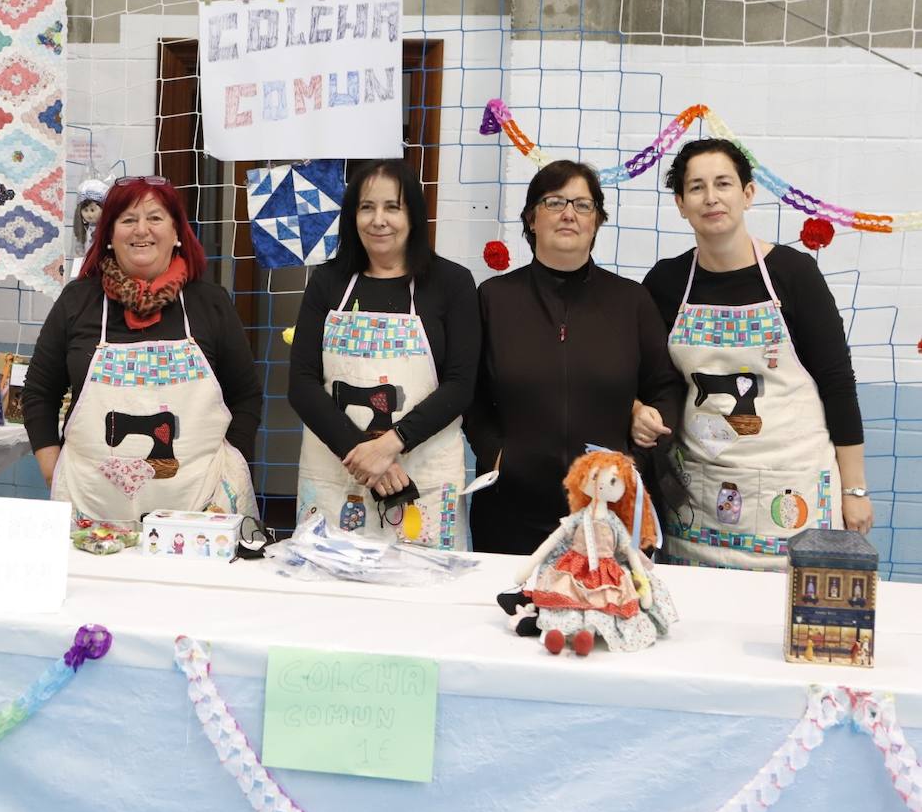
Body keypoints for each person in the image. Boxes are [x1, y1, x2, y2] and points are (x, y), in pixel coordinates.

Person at [643, 138, 872, 569]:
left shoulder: (794, 273)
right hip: (701, 497)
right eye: (696, 187)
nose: (711, 197)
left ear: (747, 194)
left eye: (723, 183)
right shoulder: (667, 282)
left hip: (794, 488)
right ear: (680, 203)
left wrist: (854, 490)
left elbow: (838, 384)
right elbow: (647, 374)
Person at [466, 160, 684, 555]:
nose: (569, 213)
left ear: (597, 222)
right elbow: (469, 393)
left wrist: (640, 450)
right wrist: (496, 455)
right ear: (531, 219)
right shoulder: (494, 298)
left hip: (608, 512)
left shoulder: (631, 301)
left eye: (583, 205)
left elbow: (665, 386)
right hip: (510, 511)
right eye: (554, 202)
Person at [23, 175, 260, 528]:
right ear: (108, 236)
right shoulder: (78, 302)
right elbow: (39, 392)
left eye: (155, 218)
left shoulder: (209, 304)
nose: (141, 230)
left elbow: (246, 396)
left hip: (202, 507)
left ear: (177, 232)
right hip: (92, 506)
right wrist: (50, 466)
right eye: (128, 219)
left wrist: (231, 466)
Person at [288, 159, 480, 549]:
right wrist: (361, 454)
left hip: (423, 478)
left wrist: (390, 445)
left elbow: (460, 385)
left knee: (423, 593)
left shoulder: (451, 283)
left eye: (393, 207)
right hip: (338, 474)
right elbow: (302, 385)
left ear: (413, 214)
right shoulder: (327, 283)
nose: (379, 220)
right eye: (366, 207)